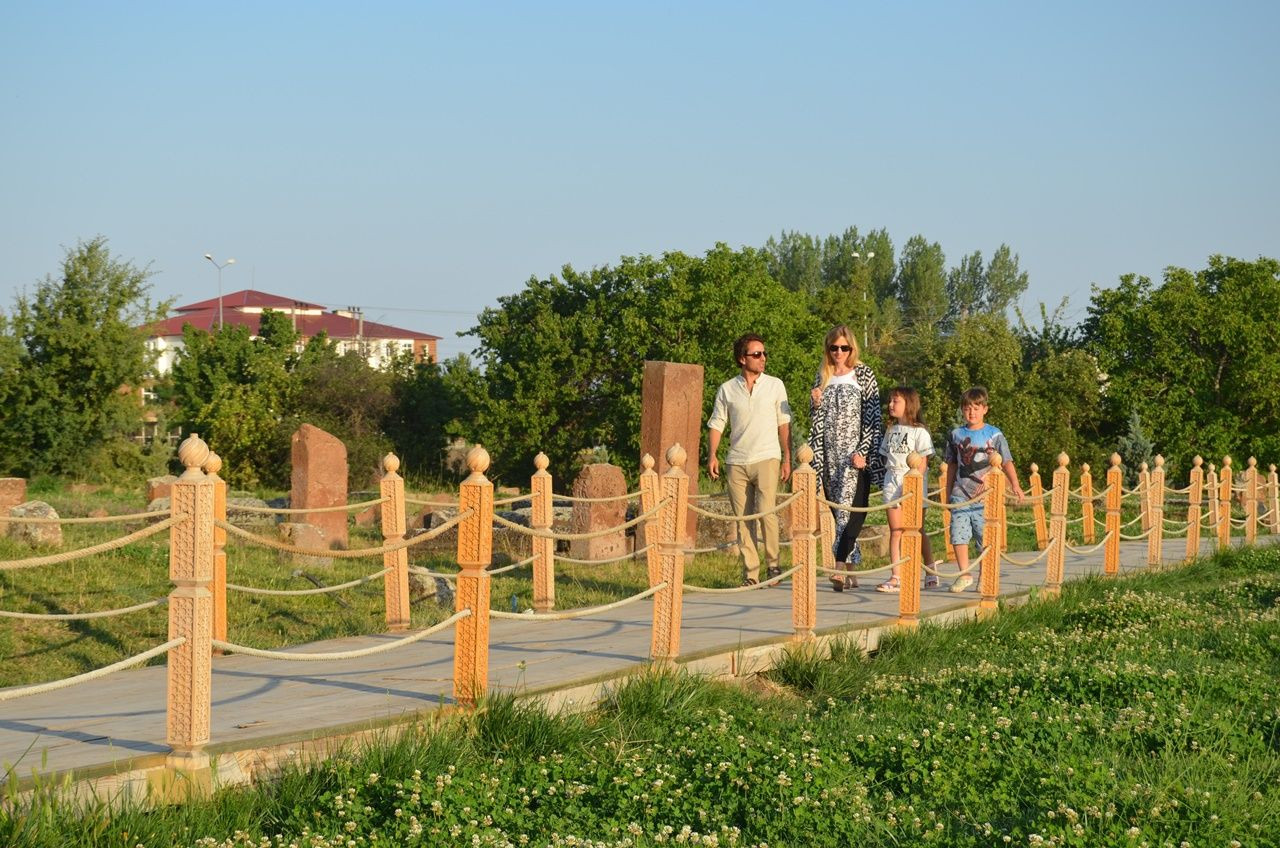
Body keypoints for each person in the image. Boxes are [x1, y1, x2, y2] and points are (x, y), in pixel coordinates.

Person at [707, 333, 793, 586]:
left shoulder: (775, 385)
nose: (763, 358)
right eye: (757, 354)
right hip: (737, 461)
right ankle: (751, 573)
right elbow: (717, 423)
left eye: (764, 353)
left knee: (766, 512)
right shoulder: (727, 389)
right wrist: (712, 455)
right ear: (742, 359)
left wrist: (787, 458)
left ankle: (773, 565)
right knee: (743, 520)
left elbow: (784, 423)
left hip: (767, 456)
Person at [808, 325, 882, 592]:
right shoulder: (822, 376)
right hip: (829, 455)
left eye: (844, 348)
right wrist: (816, 403)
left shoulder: (863, 374)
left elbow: (873, 418)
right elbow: (815, 421)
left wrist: (864, 452)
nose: (839, 353)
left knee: (849, 512)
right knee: (839, 512)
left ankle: (838, 567)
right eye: (834, 348)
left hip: (854, 455)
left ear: (852, 348)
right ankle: (852, 574)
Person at [943, 386, 1025, 593]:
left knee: (984, 538)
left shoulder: (994, 434)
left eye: (976, 408)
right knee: (958, 534)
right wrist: (947, 491)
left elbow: (1006, 461)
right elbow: (952, 464)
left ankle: (984, 574)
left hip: (986, 496)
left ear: (985, 409)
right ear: (962, 410)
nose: (971, 412)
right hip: (960, 493)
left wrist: (1015, 484)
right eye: (967, 408)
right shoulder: (956, 435)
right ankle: (964, 574)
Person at [875, 386, 941, 593]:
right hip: (892, 480)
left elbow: (923, 463)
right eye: (890, 401)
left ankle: (930, 568)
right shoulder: (890, 430)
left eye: (896, 401)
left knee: (917, 530)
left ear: (909, 405)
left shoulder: (919, 432)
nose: (890, 405)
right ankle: (896, 576)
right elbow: (885, 457)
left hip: (912, 481)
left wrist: (911, 485)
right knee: (896, 531)